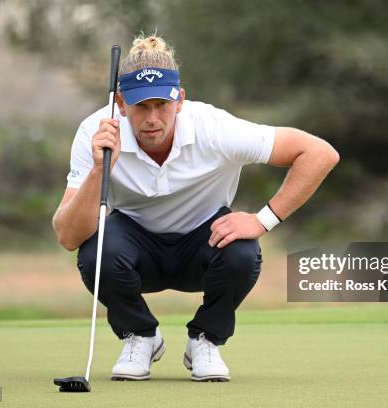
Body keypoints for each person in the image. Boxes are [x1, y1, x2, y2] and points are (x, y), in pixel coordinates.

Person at [52, 34, 339, 382]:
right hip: (133, 247)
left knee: (243, 250)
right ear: (121, 104)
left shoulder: (214, 128)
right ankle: (139, 336)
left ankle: (205, 338)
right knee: (95, 249)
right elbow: (68, 235)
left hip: (204, 244)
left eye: (163, 104)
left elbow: (320, 153)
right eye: (141, 106)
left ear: (181, 100)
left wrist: (264, 219)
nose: (153, 118)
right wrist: (100, 170)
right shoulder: (94, 133)